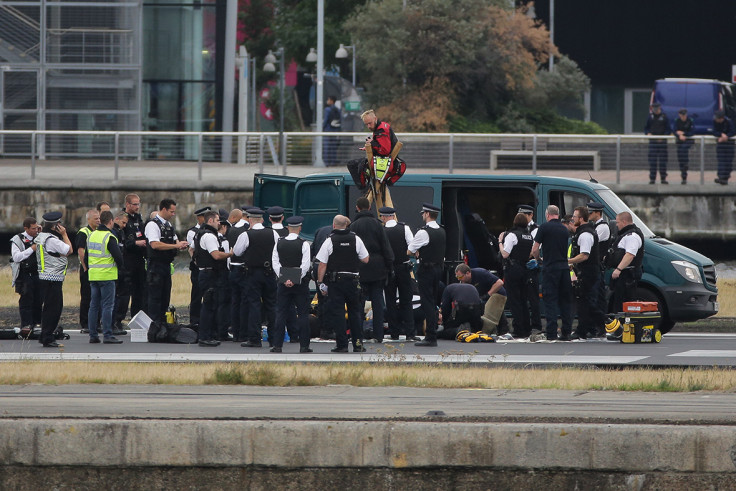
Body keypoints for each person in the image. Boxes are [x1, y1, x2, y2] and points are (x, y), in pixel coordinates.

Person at [316, 215, 370, 353]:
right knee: (355, 313)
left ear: (334, 225)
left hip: (336, 282)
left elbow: (322, 264)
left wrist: (321, 282)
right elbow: (365, 259)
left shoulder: (329, 241)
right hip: (353, 281)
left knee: (338, 313)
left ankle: (342, 345)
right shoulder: (356, 239)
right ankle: (358, 344)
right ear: (346, 225)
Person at [233, 208, 280, 348]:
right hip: (270, 272)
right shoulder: (273, 233)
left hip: (253, 273)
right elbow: (278, 251)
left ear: (250, 220)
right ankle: (274, 338)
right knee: (271, 305)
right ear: (262, 219)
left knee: (254, 305)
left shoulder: (246, 235)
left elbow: (236, 251)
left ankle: (254, 338)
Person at [349, 197, 394, 343]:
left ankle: (358, 334)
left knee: (359, 303)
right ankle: (378, 335)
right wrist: (389, 267)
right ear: (369, 208)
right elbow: (386, 247)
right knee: (378, 302)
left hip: (360, 268)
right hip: (378, 267)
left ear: (357, 207)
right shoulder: (378, 225)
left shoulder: (353, 226)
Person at [532, 205, 574, 341]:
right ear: (558, 214)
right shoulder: (564, 229)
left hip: (550, 268)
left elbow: (535, 249)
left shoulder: (544, 227)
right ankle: (567, 332)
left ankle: (551, 333)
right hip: (564, 268)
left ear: (547, 214)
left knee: (550, 300)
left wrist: (538, 259)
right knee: (565, 301)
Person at [271, 216, 313, 353]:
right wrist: (295, 279)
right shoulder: (304, 244)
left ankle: (277, 345)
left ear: (288, 228)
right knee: (302, 314)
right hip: (300, 284)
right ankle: (304, 346)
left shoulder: (279, 242)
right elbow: (305, 265)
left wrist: (284, 278)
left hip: (283, 283)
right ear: (300, 228)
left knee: (281, 313)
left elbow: (275, 263)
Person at [145, 198, 188, 323]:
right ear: (163, 209)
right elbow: (155, 244)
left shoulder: (168, 226)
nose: (173, 214)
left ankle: (163, 325)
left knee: (165, 297)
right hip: (156, 266)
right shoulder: (153, 225)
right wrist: (175, 246)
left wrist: (181, 244)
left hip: (166, 266)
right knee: (155, 298)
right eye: (171, 211)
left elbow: (175, 241)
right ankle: (155, 326)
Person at [193, 211, 233, 347]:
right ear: (210, 221)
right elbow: (215, 255)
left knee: (212, 305)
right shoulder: (209, 236)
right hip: (209, 275)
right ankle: (204, 337)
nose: (219, 223)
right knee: (208, 306)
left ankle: (209, 334)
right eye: (217, 220)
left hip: (208, 273)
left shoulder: (201, 233)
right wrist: (230, 254)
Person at [409, 203, 446, 347]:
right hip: (438, 269)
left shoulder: (423, 232)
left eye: (423, 213)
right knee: (433, 301)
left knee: (427, 302)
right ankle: (433, 331)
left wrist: (417, 252)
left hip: (426, 269)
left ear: (427, 214)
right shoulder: (442, 230)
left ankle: (430, 336)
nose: (422, 216)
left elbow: (409, 250)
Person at [34, 212, 73, 348]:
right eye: (59, 224)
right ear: (56, 226)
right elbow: (69, 250)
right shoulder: (52, 240)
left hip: (44, 276)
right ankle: (48, 337)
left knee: (48, 309)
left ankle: (45, 335)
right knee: (54, 309)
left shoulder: (40, 237)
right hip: (53, 278)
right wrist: (64, 235)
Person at [379, 206, 417, 341]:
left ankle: (394, 332)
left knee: (390, 301)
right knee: (406, 300)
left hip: (388, 269)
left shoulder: (381, 231)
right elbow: (412, 247)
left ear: (383, 217)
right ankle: (410, 333)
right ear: (393, 216)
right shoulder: (404, 228)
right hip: (403, 267)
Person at [86, 210, 125, 344]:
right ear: (111, 221)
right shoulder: (109, 237)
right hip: (107, 275)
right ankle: (107, 334)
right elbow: (118, 257)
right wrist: (121, 269)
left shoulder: (91, 235)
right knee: (108, 306)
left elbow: (86, 257)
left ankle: (93, 335)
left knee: (94, 306)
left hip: (93, 276)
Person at [568, 206, 605, 339]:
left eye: (574, 217)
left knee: (588, 302)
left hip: (588, 272)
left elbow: (584, 255)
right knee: (584, 302)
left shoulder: (585, 234)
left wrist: (568, 261)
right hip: (585, 272)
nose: (572, 219)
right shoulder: (583, 232)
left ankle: (608, 324)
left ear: (581, 219)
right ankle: (584, 329)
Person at [498, 213, 533, 338]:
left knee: (514, 300)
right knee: (523, 299)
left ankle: (518, 329)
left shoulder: (512, 235)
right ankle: (526, 327)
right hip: (525, 268)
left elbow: (505, 254)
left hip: (513, 269)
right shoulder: (529, 235)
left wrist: (500, 242)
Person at [118, 194, 147, 324]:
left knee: (140, 292)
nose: (137, 207)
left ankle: (137, 321)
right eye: (134, 204)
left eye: (138, 204)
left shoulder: (139, 220)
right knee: (124, 293)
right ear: (128, 205)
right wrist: (135, 243)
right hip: (127, 260)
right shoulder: (123, 220)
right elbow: (122, 241)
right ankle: (118, 320)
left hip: (139, 260)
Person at [454, 264, 508, 335]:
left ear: (468, 273)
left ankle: (503, 331)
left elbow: (500, 283)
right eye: (457, 277)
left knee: (489, 317)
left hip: (496, 293)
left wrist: (488, 294)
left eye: (460, 277)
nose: (459, 279)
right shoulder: (464, 282)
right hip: (483, 295)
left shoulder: (481, 273)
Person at [609, 211, 644, 314]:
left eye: (618, 222)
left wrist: (618, 269)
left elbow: (630, 255)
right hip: (625, 275)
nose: (616, 225)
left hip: (627, 276)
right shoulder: (626, 234)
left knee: (623, 304)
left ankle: (624, 328)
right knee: (618, 303)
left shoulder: (631, 236)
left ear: (624, 222)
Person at [10, 217, 42, 331]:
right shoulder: (17, 239)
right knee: (26, 300)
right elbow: (16, 257)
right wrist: (32, 249)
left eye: (36, 228)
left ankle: (37, 323)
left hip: (37, 273)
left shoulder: (39, 237)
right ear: (26, 228)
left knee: (38, 299)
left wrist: (41, 233)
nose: (35, 231)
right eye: (33, 229)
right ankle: (26, 325)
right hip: (24, 274)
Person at [517, 204, 542, 334]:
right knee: (521, 298)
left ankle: (536, 326)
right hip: (521, 267)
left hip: (530, 266)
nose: (522, 217)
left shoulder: (535, 229)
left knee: (533, 298)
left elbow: (534, 249)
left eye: (524, 215)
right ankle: (524, 326)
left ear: (531, 215)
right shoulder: (518, 229)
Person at [227, 208, 251, 343]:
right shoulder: (246, 230)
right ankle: (244, 333)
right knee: (245, 302)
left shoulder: (232, 229)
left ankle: (235, 332)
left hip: (233, 268)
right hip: (243, 268)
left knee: (235, 302)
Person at [186, 207, 211, 327]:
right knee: (196, 294)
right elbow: (193, 249)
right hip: (197, 267)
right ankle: (194, 319)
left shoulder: (210, 231)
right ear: (199, 218)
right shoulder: (193, 232)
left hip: (208, 267)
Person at [77, 209, 100, 334]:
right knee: (87, 296)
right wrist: (85, 267)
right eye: (96, 219)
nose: (98, 220)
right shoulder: (84, 232)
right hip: (87, 269)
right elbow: (81, 251)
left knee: (96, 297)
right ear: (89, 219)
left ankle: (96, 323)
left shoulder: (98, 232)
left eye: (99, 218)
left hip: (97, 269)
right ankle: (85, 323)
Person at [587, 201, 611, 319]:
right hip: (594, 266)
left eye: (591, 212)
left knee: (598, 297)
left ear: (598, 213)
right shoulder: (594, 226)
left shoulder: (602, 227)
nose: (589, 215)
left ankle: (602, 324)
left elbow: (591, 241)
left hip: (598, 266)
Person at [111, 211, 129, 336]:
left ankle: (117, 321)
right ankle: (113, 323)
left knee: (123, 296)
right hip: (114, 270)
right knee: (115, 298)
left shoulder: (121, 232)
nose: (124, 225)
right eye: (123, 222)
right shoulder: (113, 233)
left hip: (122, 269)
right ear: (116, 219)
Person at [644, 102, 671, 185]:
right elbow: (646, 128)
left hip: (662, 143)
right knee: (652, 161)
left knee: (663, 161)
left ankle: (663, 178)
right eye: (654, 109)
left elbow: (668, 130)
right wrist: (648, 133)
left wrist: (663, 137)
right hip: (653, 142)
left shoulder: (664, 117)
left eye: (656, 108)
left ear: (659, 108)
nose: (655, 110)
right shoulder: (650, 117)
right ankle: (652, 179)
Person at [712, 109, 735, 185]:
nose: (716, 119)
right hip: (721, 144)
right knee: (721, 161)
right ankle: (721, 177)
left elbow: (733, 131)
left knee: (728, 161)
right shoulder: (715, 122)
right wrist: (721, 134)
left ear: (722, 118)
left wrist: (726, 136)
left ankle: (725, 177)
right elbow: (714, 131)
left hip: (729, 144)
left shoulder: (729, 122)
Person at [673, 108, 694, 184]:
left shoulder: (690, 121)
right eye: (682, 115)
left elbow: (692, 132)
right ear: (679, 115)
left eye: (684, 115)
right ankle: (683, 176)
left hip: (687, 141)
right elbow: (674, 131)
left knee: (683, 150)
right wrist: (679, 136)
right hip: (679, 141)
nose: (683, 117)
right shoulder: (677, 121)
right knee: (680, 157)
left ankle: (685, 166)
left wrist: (683, 134)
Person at [323, 96, 342, 167]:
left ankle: (327, 163)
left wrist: (323, 128)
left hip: (328, 130)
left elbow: (325, 120)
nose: (327, 101)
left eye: (328, 99)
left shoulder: (327, 109)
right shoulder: (338, 109)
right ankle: (333, 162)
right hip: (335, 130)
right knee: (333, 147)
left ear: (331, 101)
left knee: (327, 147)